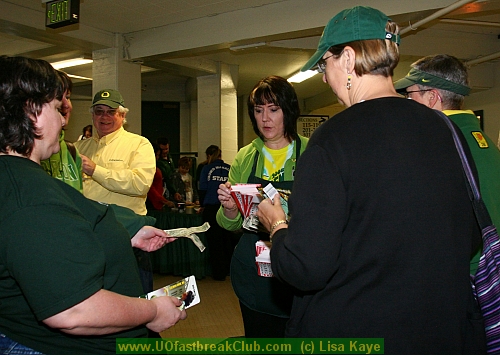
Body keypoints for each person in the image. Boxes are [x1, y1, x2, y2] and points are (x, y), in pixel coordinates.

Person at [255, 7, 485, 354]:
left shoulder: (332, 140)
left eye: (324, 65)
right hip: (441, 330)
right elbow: (469, 239)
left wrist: (277, 226)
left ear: (347, 59)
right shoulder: (446, 129)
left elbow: (307, 267)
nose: (323, 78)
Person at [0, 55, 187, 355]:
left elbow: (73, 209)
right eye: (55, 108)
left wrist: (127, 229)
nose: (63, 119)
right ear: (31, 112)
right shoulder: (26, 194)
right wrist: (152, 311)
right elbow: (73, 311)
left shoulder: (24, 178)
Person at [216, 75, 309, 338]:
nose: (265, 119)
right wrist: (230, 207)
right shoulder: (246, 156)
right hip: (254, 270)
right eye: (258, 111)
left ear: (288, 111)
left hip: (298, 263)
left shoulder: (312, 151)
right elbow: (230, 223)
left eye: (273, 110)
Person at [394, 54, 500, 275]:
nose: (408, 102)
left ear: (432, 97)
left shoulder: (436, 144)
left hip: (464, 276)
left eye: (409, 95)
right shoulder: (483, 140)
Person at [74, 89, 155, 216]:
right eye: (99, 111)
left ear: (123, 116)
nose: (104, 116)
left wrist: (95, 170)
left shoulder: (140, 144)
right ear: (92, 115)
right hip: (85, 223)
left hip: (125, 225)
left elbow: (140, 184)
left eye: (111, 112)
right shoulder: (77, 147)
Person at [198, 146, 237, 281]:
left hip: (211, 208)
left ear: (208, 155)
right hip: (227, 208)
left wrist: (202, 204)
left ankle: (218, 273)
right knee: (227, 240)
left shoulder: (206, 169)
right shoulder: (229, 168)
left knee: (214, 242)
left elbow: (202, 188)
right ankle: (229, 270)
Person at [40, 71, 83, 192]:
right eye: (58, 98)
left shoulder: (72, 152)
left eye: (68, 97)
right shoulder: (26, 153)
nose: (65, 105)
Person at [147, 143, 176, 210]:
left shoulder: (156, 166)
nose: (157, 157)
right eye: (156, 155)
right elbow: (151, 189)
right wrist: (164, 200)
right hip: (153, 202)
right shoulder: (150, 169)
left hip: (157, 200)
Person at [157, 136, 181, 202]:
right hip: (164, 189)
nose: (165, 151)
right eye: (162, 149)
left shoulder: (169, 157)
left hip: (173, 188)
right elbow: (167, 177)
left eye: (166, 149)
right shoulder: (158, 162)